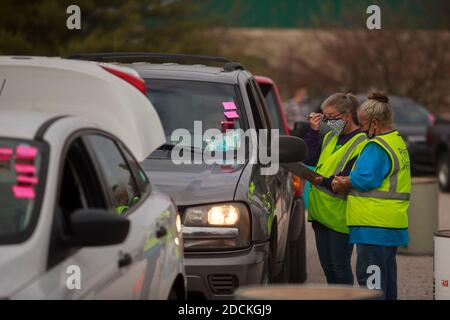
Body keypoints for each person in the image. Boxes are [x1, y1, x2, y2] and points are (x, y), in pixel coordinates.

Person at [332, 92, 411, 300]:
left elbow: (365, 179)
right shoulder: (397, 141)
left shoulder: (376, 147)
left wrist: (344, 182)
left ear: (375, 122)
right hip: (391, 225)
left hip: (373, 226)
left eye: (365, 125)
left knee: (371, 287)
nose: (363, 129)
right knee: (387, 284)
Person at [304, 93, 367, 285]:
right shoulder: (331, 136)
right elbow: (310, 159)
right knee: (328, 269)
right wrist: (314, 131)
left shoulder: (361, 142)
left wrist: (319, 180)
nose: (328, 122)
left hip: (339, 217)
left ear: (347, 116)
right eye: (325, 117)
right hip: (320, 213)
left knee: (340, 268)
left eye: (332, 118)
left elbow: (345, 180)